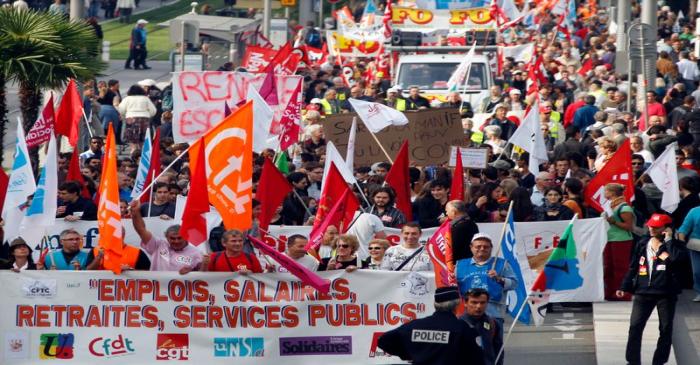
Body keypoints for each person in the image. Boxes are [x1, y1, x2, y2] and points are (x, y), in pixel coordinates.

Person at [617, 214, 683, 365]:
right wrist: (624, 286)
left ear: (666, 229)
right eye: (650, 226)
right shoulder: (642, 243)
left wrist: (669, 241)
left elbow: (677, 260)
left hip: (666, 294)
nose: (652, 229)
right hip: (642, 292)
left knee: (665, 329)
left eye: (656, 227)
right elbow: (633, 266)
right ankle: (632, 361)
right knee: (635, 326)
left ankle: (659, 361)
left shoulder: (675, 244)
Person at [377, 286, 485, 365]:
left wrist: (409, 354)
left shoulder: (414, 326)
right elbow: (477, 359)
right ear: (457, 305)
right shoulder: (463, 329)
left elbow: (383, 340)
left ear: (435, 304)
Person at [455, 233, 517, 337]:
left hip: (493, 313)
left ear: (491, 248)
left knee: (493, 346)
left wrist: (499, 279)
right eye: (478, 246)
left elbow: (514, 283)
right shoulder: (460, 264)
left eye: (486, 246)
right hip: (466, 314)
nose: (482, 249)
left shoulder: (502, 264)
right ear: (471, 247)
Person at [130, 200, 202, 274]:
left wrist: (191, 273)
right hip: (158, 284)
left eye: (179, 238)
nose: (176, 241)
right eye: (172, 238)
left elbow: (204, 274)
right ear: (166, 237)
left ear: (186, 237)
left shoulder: (196, 253)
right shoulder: (158, 245)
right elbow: (141, 230)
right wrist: (136, 213)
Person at [603, 183, 635, 300]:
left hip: (621, 240)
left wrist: (614, 222)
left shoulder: (624, 207)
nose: (604, 193)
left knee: (620, 268)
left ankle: (623, 293)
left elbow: (629, 226)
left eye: (606, 191)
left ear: (612, 193)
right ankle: (610, 292)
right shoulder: (609, 206)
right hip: (610, 239)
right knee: (609, 267)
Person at [460, 288, 503, 365]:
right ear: (465, 303)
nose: (478, 306)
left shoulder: (493, 323)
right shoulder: (457, 324)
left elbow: (499, 351)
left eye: (482, 302)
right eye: (474, 302)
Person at [118, 84, 157, 153]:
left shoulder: (127, 99)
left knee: (132, 139)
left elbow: (121, 109)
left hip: (131, 118)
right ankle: (143, 154)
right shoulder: (145, 98)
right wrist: (148, 115)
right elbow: (153, 110)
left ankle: (133, 151)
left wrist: (124, 115)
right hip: (144, 119)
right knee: (143, 139)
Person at [447, 200, 479, 266]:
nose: (446, 213)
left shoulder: (459, 227)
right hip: (470, 260)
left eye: (447, 211)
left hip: (459, 263)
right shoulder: (472, 224)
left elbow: (454, 247)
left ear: (454, 212)